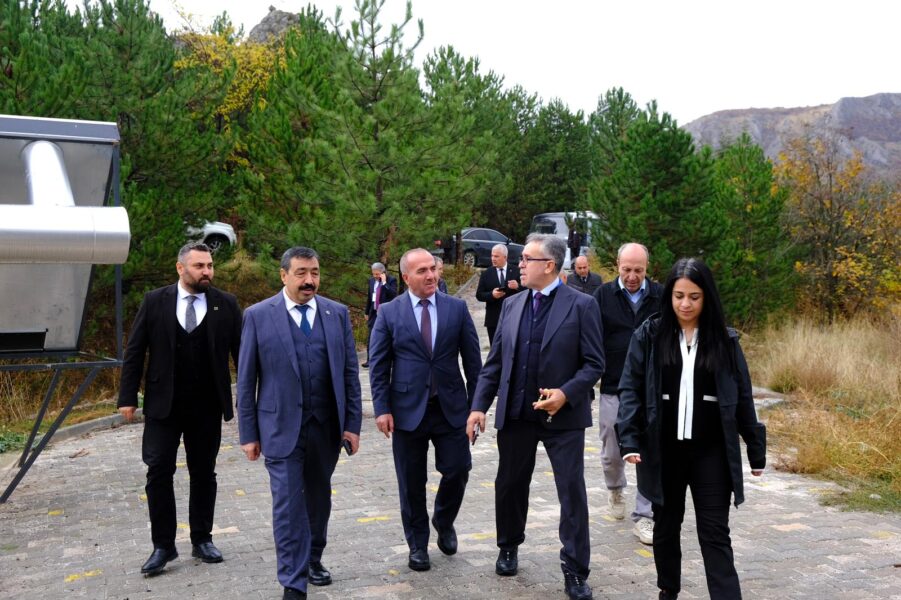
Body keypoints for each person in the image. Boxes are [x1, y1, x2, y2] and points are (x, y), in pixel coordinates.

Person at [616, 258, 766, 600]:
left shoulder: (725, 341)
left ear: (707, 297)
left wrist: (755, 450)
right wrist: (630, 439)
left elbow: (742, 395)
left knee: (715, 532)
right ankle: (668, 590)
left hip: (711, 452)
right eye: (679, 296)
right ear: (669, 295)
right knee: (666, 529)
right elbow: (631, 388)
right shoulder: (650, 335)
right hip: (664, 450)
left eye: (694, 297)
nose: (685, 304)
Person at [467, 233, 605, 600]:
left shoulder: (582, 305)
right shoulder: (512, 305)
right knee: (510, 484)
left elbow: (595, 363)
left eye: (527, 259)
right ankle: (508, 546)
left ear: (550, 265)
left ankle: (575, 569)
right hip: (516, 413)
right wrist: (478, 406)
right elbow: (494, 364)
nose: (520, 265)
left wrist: (566, 393)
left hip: (563, 417)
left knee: (571, 492)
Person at [237, 247, 362, 600]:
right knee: (288, 506)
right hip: (279, 429)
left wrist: (352, 425)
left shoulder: (336, 314)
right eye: (302, 273)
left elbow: (349, 374)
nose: (310, 280)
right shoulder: (258, 316)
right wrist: (248, 433)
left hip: (326, 427)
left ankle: (313, 558)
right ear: (283, 275)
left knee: (319, 499)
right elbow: (246, 380)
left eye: (315, 273)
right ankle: (293, 583)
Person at [118, 242, 241, 576]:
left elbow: (242, 353)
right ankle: (163, 546)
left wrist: (250, 398)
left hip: (207, 405)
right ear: (180, 268)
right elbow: (135, 350)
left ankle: (202, 539)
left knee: (204, 473)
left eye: (210, 266)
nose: (207, 272)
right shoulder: (154, 301)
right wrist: (127, 396)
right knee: (158, 471)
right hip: (163, 405)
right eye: (199, 266)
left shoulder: (226, 304)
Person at [369, 248, 482, 572]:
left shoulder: (456, 309)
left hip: (451, 408)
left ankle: (443, 520)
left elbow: (474, 363)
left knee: (458, 468)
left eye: (433, 268)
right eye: (422, 271)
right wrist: (382, 409)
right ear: (406, 277)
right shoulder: (389, 313)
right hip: (407, 412)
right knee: (411, 482)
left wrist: (477, 407)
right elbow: (379, 365)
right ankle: (417, 544)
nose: (431, 275)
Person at [591, 242, 661, 544]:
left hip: (651, 389)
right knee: (612, 448)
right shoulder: (602, 296)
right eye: (627, 269)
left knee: (649, 451)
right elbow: (591, 338)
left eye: (639, 270)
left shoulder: (660, 296)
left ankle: (645, 515)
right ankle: (616, 489)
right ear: (617, 265)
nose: (632, 276)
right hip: (613, 384)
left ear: (647, 269)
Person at [475, 244, 522, 346]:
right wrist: (492, 295)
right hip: (493, 319)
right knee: (495, 348)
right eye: (492, 256)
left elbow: (529, 290)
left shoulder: (516, 271)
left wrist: (518, 286)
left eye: (496, 256)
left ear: (505, 257)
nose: (493, 259)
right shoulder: (486, 274)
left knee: (512, 347)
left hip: (513, 317)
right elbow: (479, 295)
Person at [362, 261, 397, 368]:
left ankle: (390, 360)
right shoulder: (371, 281)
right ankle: (370, 360)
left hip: (386, 313)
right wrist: (366, 312)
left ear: (383, 272)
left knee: (387, 336)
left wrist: (384, 283)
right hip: (373, 312)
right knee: (371, 336)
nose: (375, 276)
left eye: (377, 274)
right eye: (373, 274)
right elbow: (369, 297)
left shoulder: (391, 280)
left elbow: (393, 294)